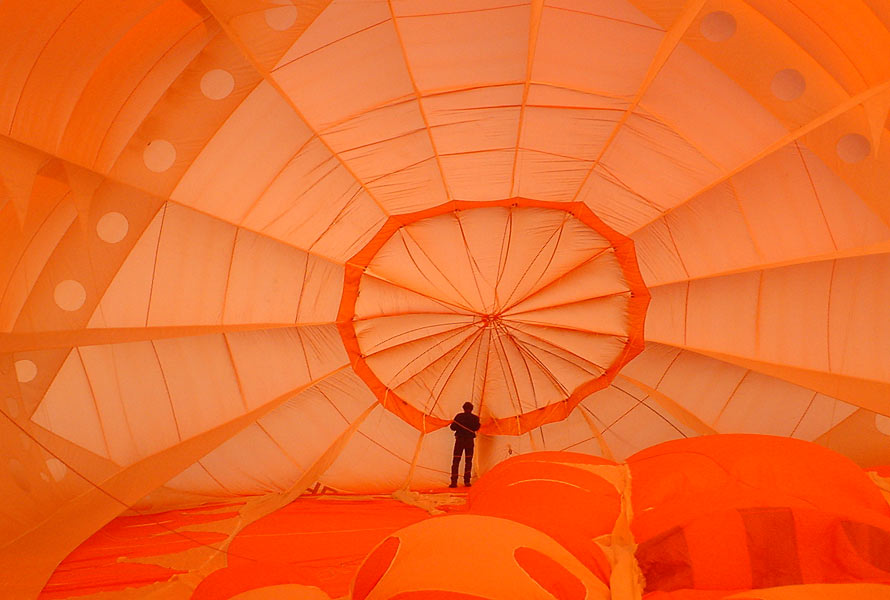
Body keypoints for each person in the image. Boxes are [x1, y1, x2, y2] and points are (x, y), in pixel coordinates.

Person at [449, 402, 480, 488]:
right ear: (472, 409)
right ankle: (467, 481)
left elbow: (452, 428)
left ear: (463, 408)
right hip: (469, 441)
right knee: (468, 461)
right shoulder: (475, 418)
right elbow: (477, 428)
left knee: (456, 460)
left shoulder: (459, 416)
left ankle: (454, 482)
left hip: (460, 440)